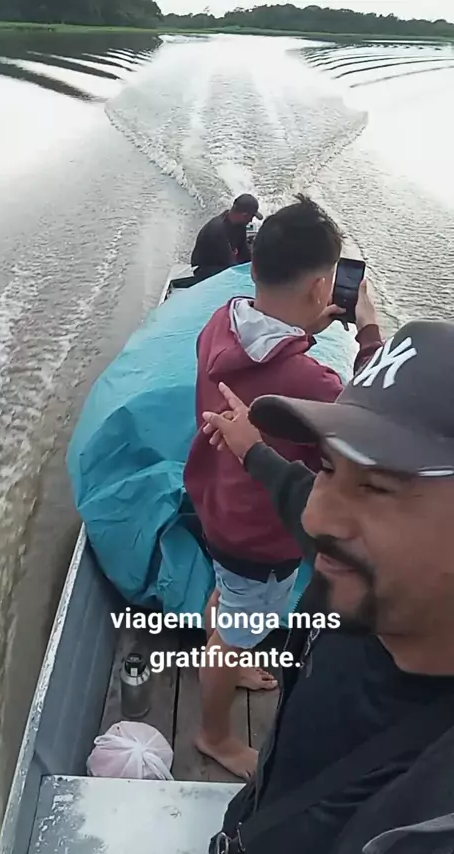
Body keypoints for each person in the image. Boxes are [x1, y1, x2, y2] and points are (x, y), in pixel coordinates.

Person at [201, 318, 454, 854]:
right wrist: (252, 450)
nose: (319, 519)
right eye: (328, 468)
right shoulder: (361, 573)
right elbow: (295, 493)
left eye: (376, 487)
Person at [183, 195, 383, 780]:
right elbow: (368, 431)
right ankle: (215, 734)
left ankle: (229, 648)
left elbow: (266, 361)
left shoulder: (220, 322)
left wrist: (303, 326)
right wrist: (368, 331)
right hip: (260, 536)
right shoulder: (310, 381)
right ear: (322, 288)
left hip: (216, 505)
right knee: (239, 623)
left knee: (229, 595)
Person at [191, 194, 263, 282]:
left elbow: (245, 254)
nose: (251, 221)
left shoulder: (240, 225)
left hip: (224, 263)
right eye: (251, 217)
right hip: (204, 268)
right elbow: (230, 265)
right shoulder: (217, 229)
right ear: (244, 214)